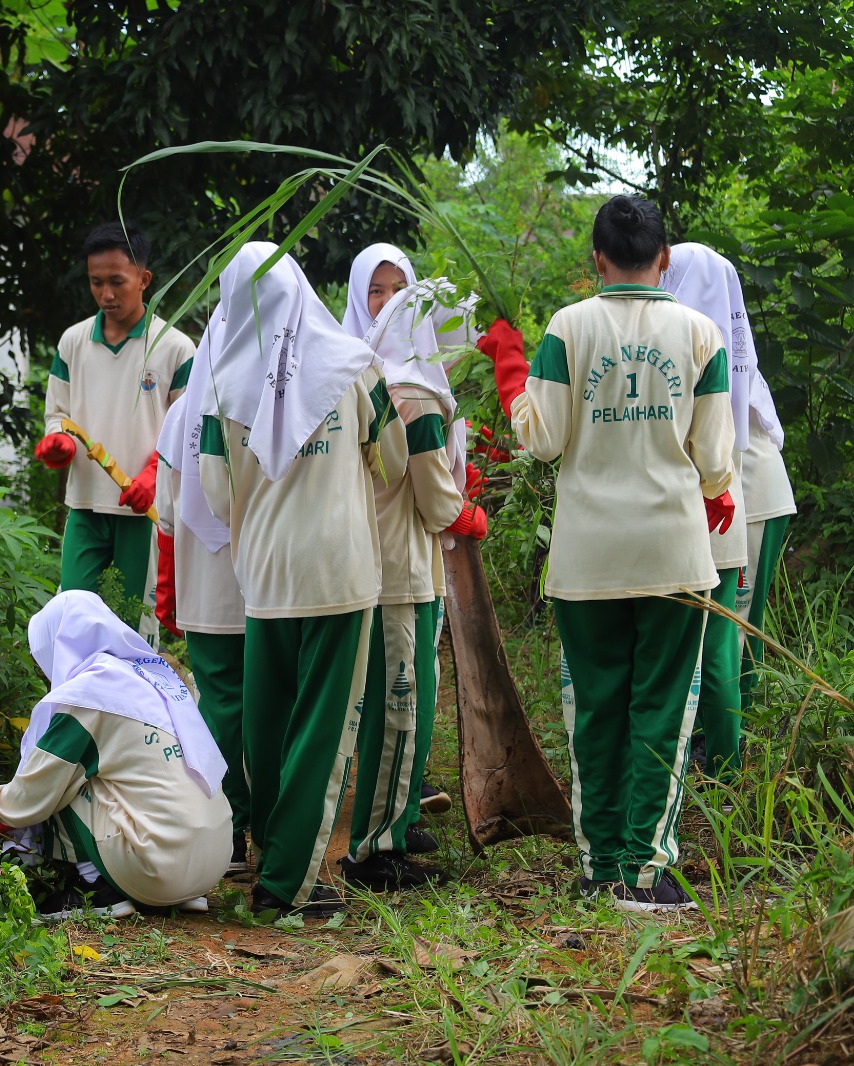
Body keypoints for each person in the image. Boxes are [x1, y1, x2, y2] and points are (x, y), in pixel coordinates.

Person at [482, 194, 735, 913]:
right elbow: (716, 459)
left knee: (594, 709)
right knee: (662, 708)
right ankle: (644, 871)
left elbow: (540, 441)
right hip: (671, 552)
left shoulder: (568, 328)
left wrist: (512, 372)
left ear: (597, 260)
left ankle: (599, 867)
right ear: (663, 258)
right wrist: (711, 488)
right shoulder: (701, 333)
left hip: (588, 556)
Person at [199, 242, 408, 918]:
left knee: (266, 722)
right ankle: (288, 884)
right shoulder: (354, 365)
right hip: (338, 571)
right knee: (323, 724)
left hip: (266, 574)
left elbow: (215, 490)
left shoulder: (222, 383)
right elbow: (395, 459)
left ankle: (271, 855)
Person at [0, 591, 233, 920]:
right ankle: (181, 893)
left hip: (157, 869)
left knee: (62, 777)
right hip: (213, 862)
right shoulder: (158, 681)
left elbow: (30, 793)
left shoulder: (93, 695)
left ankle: (95, 887)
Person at [342, 278, 484, 890]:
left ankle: (393, 827)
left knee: (392, 705)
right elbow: (434, 498)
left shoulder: (366, 381)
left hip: (373, 562)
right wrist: (468, 514)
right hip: (401, 571)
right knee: (400, 708)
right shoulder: (416, 397)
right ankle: (376, 851)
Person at [36, 223, 196, 614]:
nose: (106, 294)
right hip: (85, 503)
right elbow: (58, 416)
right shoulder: (72, 342)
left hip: (145, 510)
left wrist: (153, 476)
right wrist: (58, 443)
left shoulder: (175, 347)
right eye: (96, 282)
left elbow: (188, 431)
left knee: (134, 620)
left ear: (143, 280)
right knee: (72, 612)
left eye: (116, 282)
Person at [154, 309, 253, 874]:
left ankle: (227, 833)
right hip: (265, 583)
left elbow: (167, 513)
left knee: (218, 705)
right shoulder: (271, 403)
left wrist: (169, 590)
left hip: (202, 582)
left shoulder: (182, 411)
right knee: (270, 702)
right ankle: (270, 828)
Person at [662, 243, 754, 781]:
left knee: (678, 644)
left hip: (693, 506)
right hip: (726, 500)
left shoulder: (685, 340)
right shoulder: (731, 347)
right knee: (720, 643)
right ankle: (727, 761)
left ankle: (675, 757)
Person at [733, 367, 796, 713]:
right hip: (730, 491)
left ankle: (734, 721)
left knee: (737, 621)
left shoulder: (719, 341)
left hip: (751, 493)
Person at [342, 243, 418, 339]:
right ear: (359, 299)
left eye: (399, 289)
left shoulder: (432, 343)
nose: (390, 303)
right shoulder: (343, 348)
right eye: (377, 291)